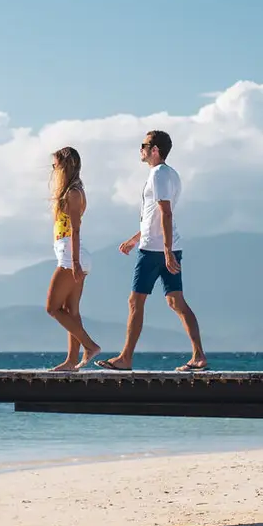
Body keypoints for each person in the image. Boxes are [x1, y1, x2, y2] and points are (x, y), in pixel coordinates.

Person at [92, 130, 209, 372]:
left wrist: (165, 251)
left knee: (135, 301)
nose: (141, 149)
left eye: (143, 145)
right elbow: (154, 216)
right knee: (176, 301)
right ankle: (198, 356)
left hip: (156, 250)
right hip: (163, 246)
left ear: (154, 150)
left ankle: (125, 358)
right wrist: (136, 238)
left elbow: (166, 212)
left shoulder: (158, 175)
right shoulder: (169, 174)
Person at [43, 146, 103, 370]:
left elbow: (75, 230)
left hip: (71, 256)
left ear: (65, 165)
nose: (54, 168)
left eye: (56, 164)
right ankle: (70, 361)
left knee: (52, 308)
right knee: (71, 312)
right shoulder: (70, 191)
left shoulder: (73, 193)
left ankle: (90, 346)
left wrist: (75, 263)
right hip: (72, 254)